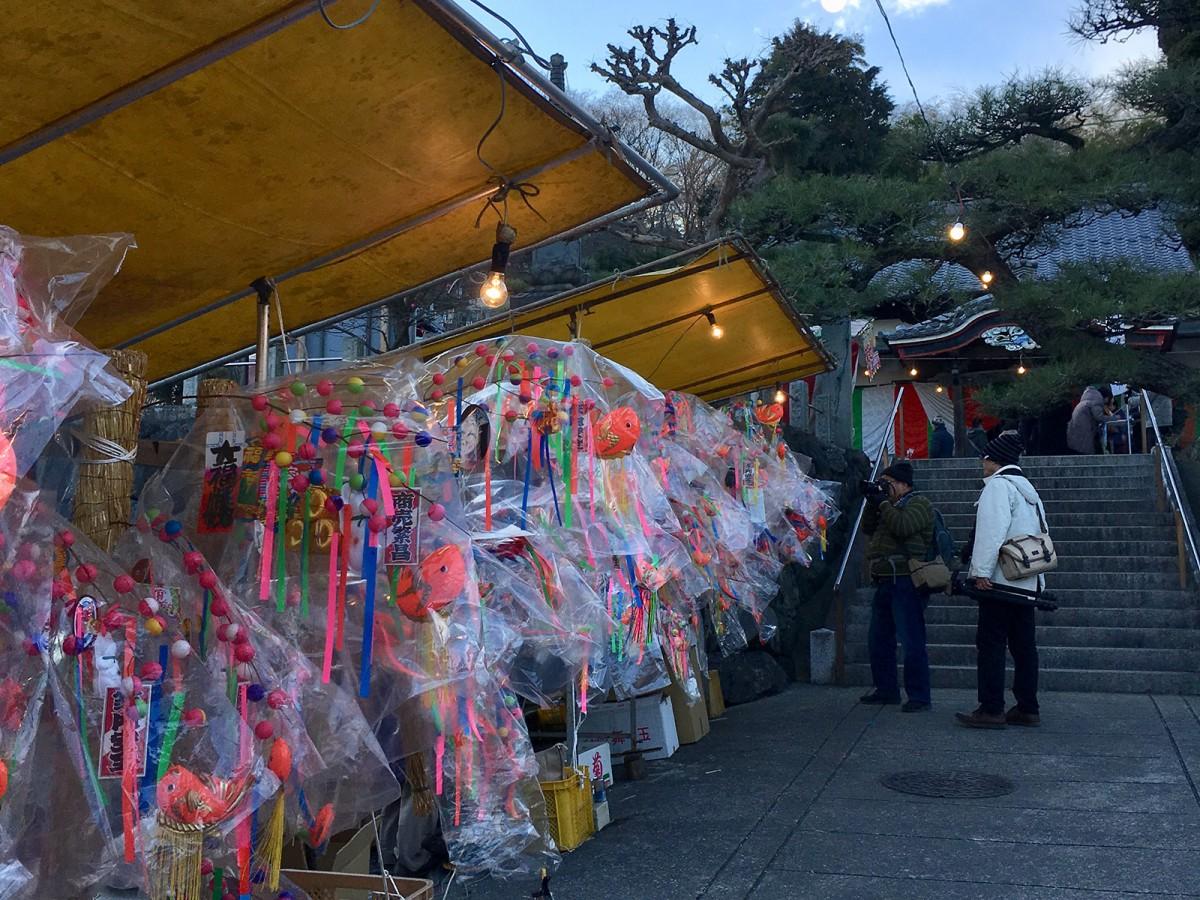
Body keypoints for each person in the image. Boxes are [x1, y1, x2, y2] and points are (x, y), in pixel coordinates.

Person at [955, 432, 1046, 729]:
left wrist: (980, 572)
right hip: (1026, 579)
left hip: (1000, 580)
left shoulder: (998, 487)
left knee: (991, 643)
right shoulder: (1028, 490)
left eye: (986, 458)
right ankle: (1027, 706)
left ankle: (991, 707)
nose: (983, 463)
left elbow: (991, 532)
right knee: (1024, 645)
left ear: (995, 461)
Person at [859, 460, 934, 712]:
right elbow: (868, 528)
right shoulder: (886, 506)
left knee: (911, 639)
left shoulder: (919, 503)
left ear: (903, 484)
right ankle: (886, 689)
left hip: (907, 579)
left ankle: (920, 696)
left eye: (887, 483)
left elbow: (903, 527)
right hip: (884, 579)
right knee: (878, 639)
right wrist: (873, 501)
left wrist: (882, 503)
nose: (884, 488)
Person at [1067, 386, 1114, 454]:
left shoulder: (1089, 398)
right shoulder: (1097, 400)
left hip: (1077, 431)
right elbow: (1099, 417)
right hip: (1085, 431)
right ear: (1106, 397)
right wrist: (1115, 418)